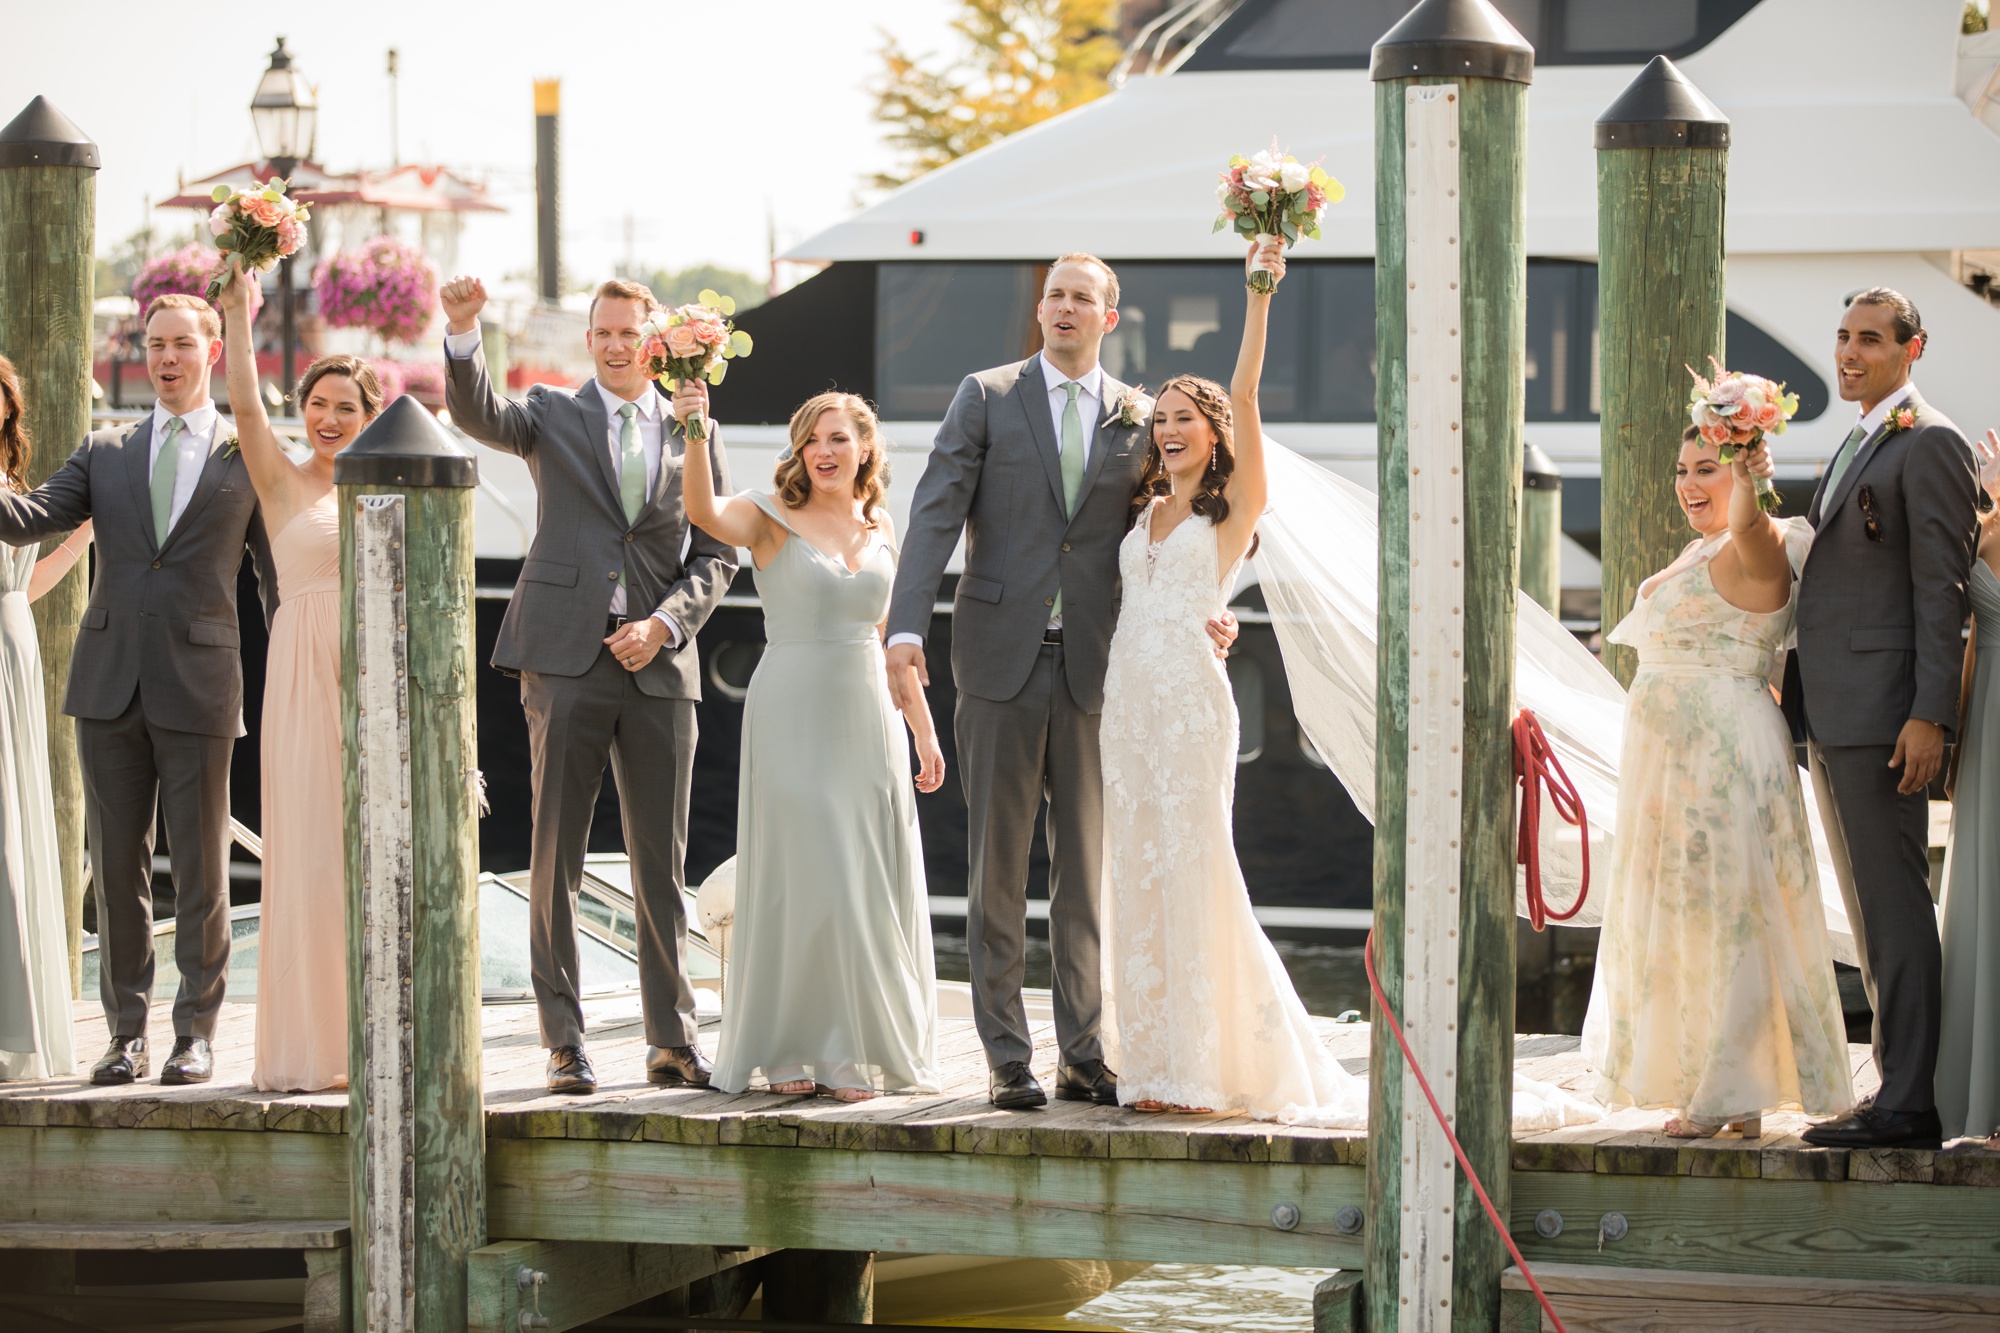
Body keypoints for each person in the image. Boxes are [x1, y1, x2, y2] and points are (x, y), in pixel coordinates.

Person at [886, 254, 1235, 1110]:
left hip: (1099, 666)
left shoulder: (1140, 416)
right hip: (999, 656)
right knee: (997, 866)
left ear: (1110, 317)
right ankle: (1008, 1054)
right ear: (1040, 311)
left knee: (1086, 868)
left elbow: (1190, 519)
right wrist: (903, 624)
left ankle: (1083, 1050)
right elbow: (935, 508)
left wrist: (1212, 609)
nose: (1066, 307)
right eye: (1055, 295)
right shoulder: (988, 395)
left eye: (1084, 296)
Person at [441, 274, 736, 1095]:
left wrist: (665, 625)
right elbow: (477, 414)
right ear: (590, 340)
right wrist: (464, 330)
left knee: (658, 864)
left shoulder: (693, 429)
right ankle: (564, 1041)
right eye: (601, 332)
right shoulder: (551, 417)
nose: (613, 345)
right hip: (563, 658)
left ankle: (672, 1037)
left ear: (656, 340)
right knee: (555, 856)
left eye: (626, 333)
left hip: (660, 668)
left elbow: (718, 552)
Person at [1096, 238, 1366, 1124]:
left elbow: (1246, 391)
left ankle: (1208, 1066)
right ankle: (1152, 1064)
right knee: (1134, 869)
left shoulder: (1231, 510)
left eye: (1185, 417)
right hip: (1127, 706)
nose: (1168, 428)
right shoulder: (1143, 510)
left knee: (1195, 865)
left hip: (1188, 704)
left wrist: (1258, 293)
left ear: (1212, 436)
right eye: (1160, 416)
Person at [0, 295, 276, 1086]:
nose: (165, 359)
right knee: (117, 872)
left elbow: (273, 581)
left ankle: (196, 1033)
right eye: (153, 345)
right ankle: (127, 1034)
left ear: (213, 352)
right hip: (108, 685)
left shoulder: (243, 452)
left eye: (181, 345)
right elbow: (29, 518)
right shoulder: (105, 450)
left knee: (200, 871)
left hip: (200, 683)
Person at [1583, 426, 1853, 1136]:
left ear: (1743, 479)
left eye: (1708, 469)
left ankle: (1730, 1092)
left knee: (1730, 912)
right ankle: (1723, 1082)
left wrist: (1748, 465)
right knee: (1687, 912)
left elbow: (1749, 521)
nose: (1688, 484)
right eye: (1681, 469)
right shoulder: (1697, 550)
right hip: (1670, 757)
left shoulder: (1761, 544)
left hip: (1721, 749)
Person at [686, 391, 945, 1100]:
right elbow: (704, 513)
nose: (823, 452)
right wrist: (694, 429)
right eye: (810, 441)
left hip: (867, 710)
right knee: (805, 871)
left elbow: (894, 642)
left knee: (860, 875)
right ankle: (795, 1048)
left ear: (865, 448)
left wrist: (922, 727)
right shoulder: (770, 517)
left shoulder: (880, 521)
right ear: (799, 452)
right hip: (792, 706)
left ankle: (849, 1044)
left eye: (837, 438)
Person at [1788, 290, 1980, 1152]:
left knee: (1895, 906)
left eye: (1871, 338)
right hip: (1833, 708)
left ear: (1913, 347)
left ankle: (1909, 1103)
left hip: (1885, 713)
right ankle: (1893, 1084)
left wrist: (1929, 714)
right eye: (1842, 336)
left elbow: (1943, 591)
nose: (1850, 352)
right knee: (1870, 909)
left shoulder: (1929, 440)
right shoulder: (1861, 435)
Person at [218, 259, 375, 1093]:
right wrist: (240, 312)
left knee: (371, 851)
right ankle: (310, 1048)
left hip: (374, 676)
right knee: (310, 851)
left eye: (345, 407)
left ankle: (373, 1036)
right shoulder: (281, 484)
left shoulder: (393, 485)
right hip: (300, 676)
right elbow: (245, 404)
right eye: (317, 404)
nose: (328, 417)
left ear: (370, 418)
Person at [0, 357, 92, 1081]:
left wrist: (84, 534)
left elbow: (23, 587)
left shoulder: (16, 488)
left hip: (12, 645)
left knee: (14, 824)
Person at [1939, 428, 2000, 1143]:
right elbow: (1977, 640)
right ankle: (1981, 1098)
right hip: (1988, 719)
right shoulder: (1982, 527)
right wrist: (1954, 736)